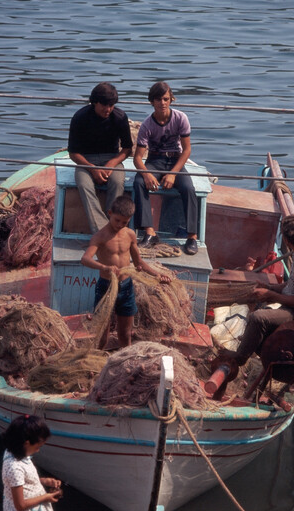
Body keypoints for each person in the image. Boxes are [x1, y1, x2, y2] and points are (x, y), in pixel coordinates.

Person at [228, 215, 294, 366]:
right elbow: (292, 284)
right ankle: (261, 350)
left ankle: (239, 359)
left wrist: (271, 295)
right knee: (258, 305)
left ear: (287, 241)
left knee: (258, 318)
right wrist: (270, 288)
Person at [81, 195, 172, 349]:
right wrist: (104, 268)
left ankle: (125, 363)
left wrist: (158, 275)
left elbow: (138, 263)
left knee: (125, 333)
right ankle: (98, 361)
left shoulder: (130, 234)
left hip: (126, 287)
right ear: (109, 213)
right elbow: (85, 259)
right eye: (117, 220)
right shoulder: (99, 237)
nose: (120, 224)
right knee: (102, 335)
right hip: (106, 288)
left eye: (125, 222)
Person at [133, 81, 199, 255]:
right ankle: (149, 232)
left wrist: (172, 174)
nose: (162, 103)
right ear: (152, 102)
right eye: (158, 99)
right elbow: (138, 158)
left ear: (171, 100)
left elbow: (187, 150)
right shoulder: (147, 125)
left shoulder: (180, 118)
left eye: (165, 99)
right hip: (155, 161)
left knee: (188, 188)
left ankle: (192, 236)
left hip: (175, 161)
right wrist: (147, 175)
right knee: (139, 182)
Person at [68, 82, 133, 233]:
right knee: (84, 185)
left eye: (111, 105)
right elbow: (73, 153)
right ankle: (102, 229)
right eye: (104, 105)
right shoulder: (80, 117)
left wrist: (112, 163)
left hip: (111, 158)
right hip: (86, 160)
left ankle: (112, 223)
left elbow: (127, 149)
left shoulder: (120, 117)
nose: (108, 109)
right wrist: (92, 169)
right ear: (94, 102)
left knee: (117, 182)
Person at [1, 414, 62, 511]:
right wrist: (46, 497)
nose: (38, 450)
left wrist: (44, 481)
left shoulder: (15, 452)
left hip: (32, 508)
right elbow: (20, 505)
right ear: (26, 443)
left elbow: (19, 481)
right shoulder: (14, 467)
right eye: (37, 447)